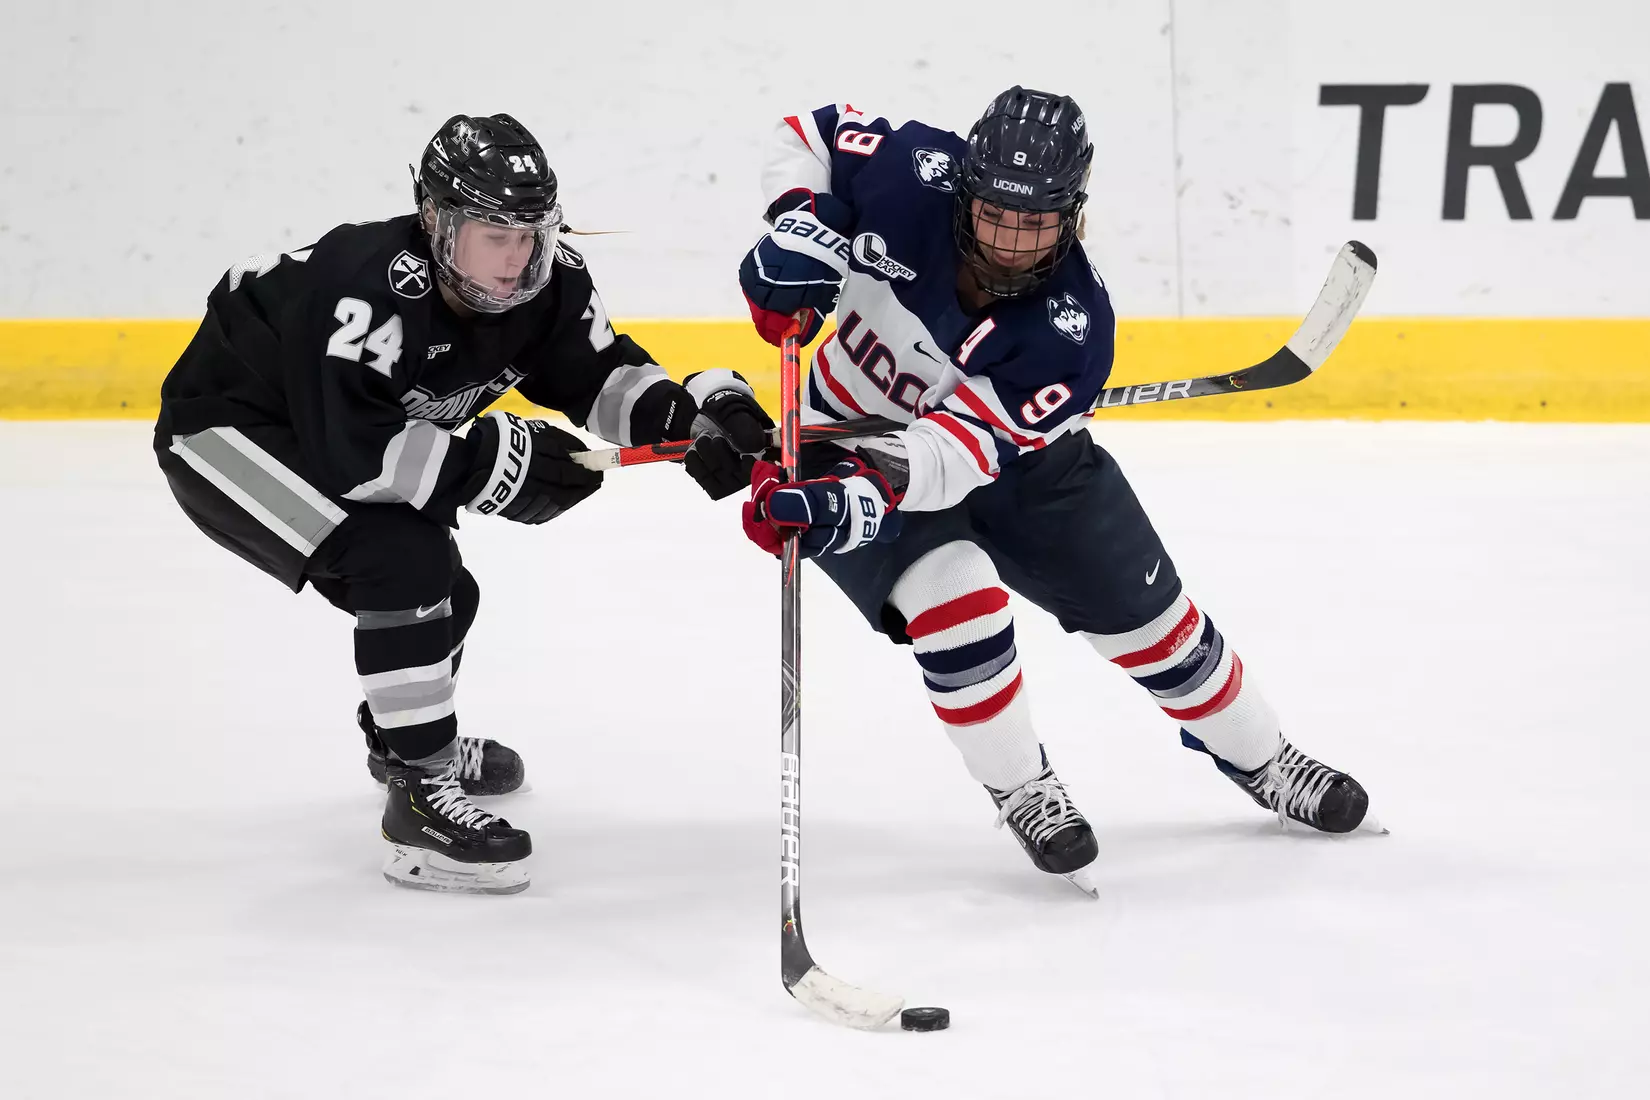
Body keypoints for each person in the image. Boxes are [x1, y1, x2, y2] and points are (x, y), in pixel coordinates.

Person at [736, 88, 1378, 890]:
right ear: (963, 190)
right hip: (845, 434)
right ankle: (1023, 786)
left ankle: (1266, 760)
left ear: (1074, 213)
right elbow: (810, 130)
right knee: (955, 596)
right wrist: (801, 222)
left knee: (1157, 630)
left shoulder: (1073, 328)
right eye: (994, 215)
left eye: (1035, 222)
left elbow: (954, 451)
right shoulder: (911, 172)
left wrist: (872, 489)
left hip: (1012, 465)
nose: (1009, 243)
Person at [155, 113, 772, 894]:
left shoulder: (547, 284)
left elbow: (600, 376)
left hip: (332, 435)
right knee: (401, 563)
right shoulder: (367, 287)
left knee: (448, 588)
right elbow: (357, 455)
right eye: (494, 235)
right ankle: (419, 800)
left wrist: (685, 423)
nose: (518, 259)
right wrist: (493, 464)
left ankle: (406, 745)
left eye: (531, 234)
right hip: (227, 435)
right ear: (438, 224)